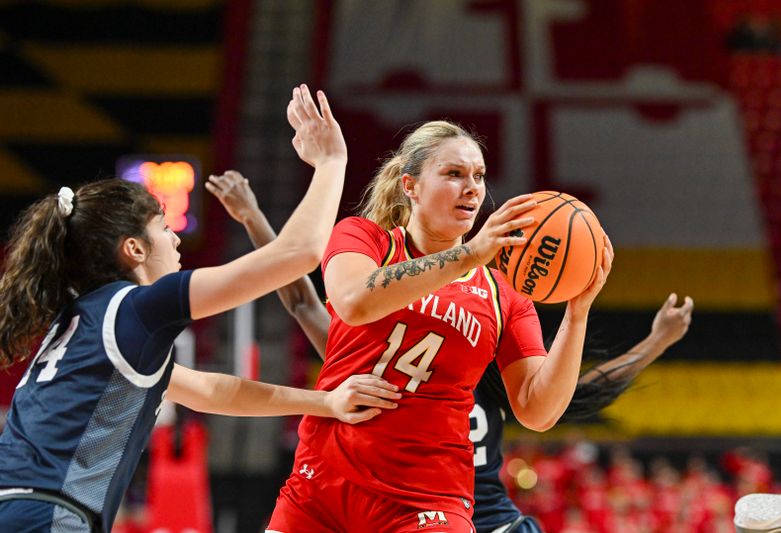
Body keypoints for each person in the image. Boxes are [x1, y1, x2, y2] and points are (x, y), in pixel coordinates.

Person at [0, 85, 402, 533]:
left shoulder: (84, 319)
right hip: (47, 516)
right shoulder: (137, 309)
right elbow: (299, 254)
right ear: (133, 248)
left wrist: (325, 402)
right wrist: (331, 163)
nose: (175, 240)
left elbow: (213, 391)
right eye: (163, 228)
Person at [208, 173, 694, 533]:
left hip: (474, 515)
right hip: (392, 507)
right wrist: (254, 220)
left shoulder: (497, 360)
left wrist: (647, 340)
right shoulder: (377, 359)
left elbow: (577, 393)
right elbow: (304, 303)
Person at [249, 119, 612, 531]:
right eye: (454, 174)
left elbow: (538, 410)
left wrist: (577, 312)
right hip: (322, 485)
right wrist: (471, 254)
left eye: (478, 176)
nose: (473, 187)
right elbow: (353, 302)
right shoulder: (365, 239)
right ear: (410, 186)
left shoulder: (504, 295)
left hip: (426, 499)